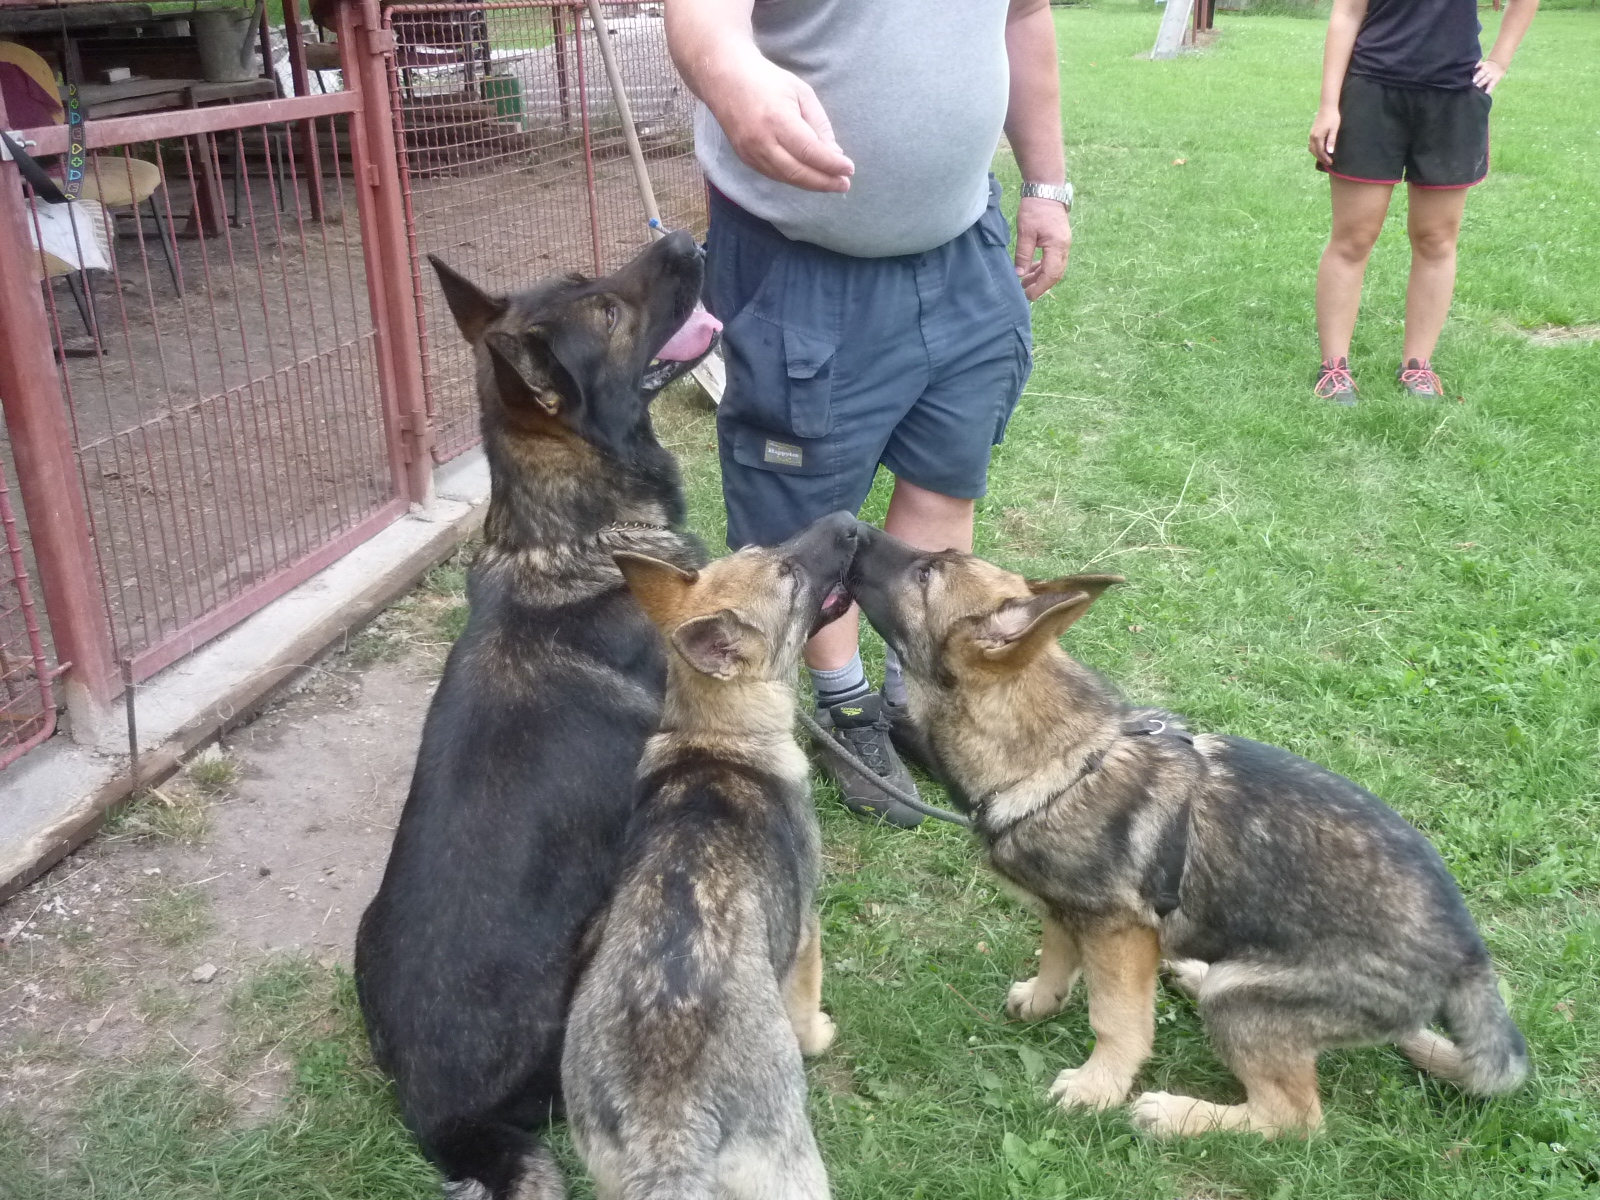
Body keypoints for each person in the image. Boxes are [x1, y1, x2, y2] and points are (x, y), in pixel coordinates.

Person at [666, 0, 1072, 826]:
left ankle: (907, 695)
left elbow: (1025, 15)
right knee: (809, 525)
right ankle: (847, 705)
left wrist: (1046, 185)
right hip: (801, 261)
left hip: (963, 249)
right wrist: (732, 74)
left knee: (943, 473)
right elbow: (702, 15)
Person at [1310, 0, 1539, 404]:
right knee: (1354, 237)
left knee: (1436, 239)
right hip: (1371, 90)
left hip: (1453, 98)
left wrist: (1499, 60)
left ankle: (1417, 366)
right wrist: (1329, 105)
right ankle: (1334, 368)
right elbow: (1346, 12)